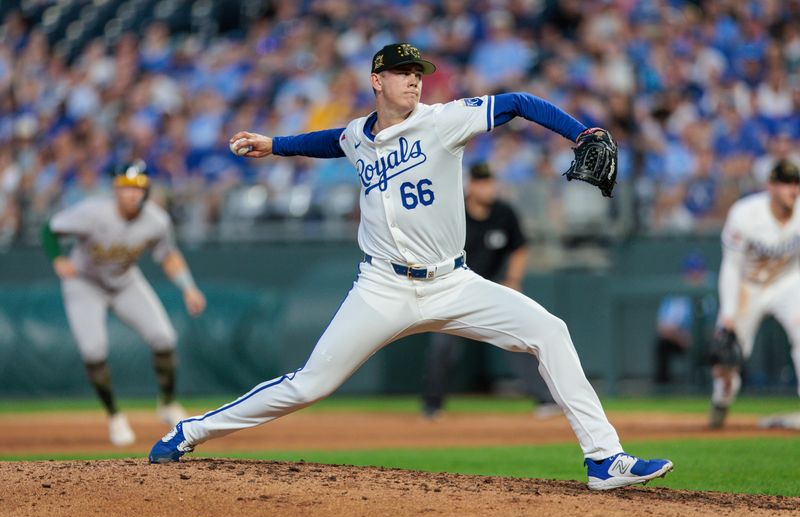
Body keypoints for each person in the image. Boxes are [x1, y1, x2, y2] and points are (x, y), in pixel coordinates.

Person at [150, 43, 673, 490]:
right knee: (310, 385)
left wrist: (580, 134)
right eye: (404, 73)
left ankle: (604, 458)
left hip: (454, 282)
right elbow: (333, 140)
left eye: (419, 74)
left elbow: (517, 102)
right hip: (382, 286)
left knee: (549, 331)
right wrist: (277, 145)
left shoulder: (443, 121)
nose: (414, 81)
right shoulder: (359, 135)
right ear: (377, 80)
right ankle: (191, 431)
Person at [42, 161, 206, 446]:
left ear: (146, 191)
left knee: (164, 338)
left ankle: (166, 404)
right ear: (116, 189)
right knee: (94, 351)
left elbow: (168, 255)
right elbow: (50, 229)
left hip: (124, 281)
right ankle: (115, 416)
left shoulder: (156, 220)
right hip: (84, 282)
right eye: (126, 188)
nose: (132, 194)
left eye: (138, 188)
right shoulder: (92, 213)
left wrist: (188, 288)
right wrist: (57, 258)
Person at [422, 161, 558, 418]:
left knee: (520, 337)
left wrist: (513, 279)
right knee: (443, 345)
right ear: (470, 185)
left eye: (491, 182)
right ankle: (432, 405)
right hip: (456, 286)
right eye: (482, 183)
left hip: (492, 284)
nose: (489, 188)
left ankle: (545, 399)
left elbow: (519, 247)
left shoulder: (503, 212)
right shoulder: (454, 212)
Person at [710, 160, 800, 429]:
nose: (793, 190)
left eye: (796, 183)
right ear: (771, 186)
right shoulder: (745, 213)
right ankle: (720, 402)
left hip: (787, 282)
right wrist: (727, 313)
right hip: (747, 286)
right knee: (727, 359)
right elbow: (731, 266)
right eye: (786, 183)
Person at [653, 252, 714, 385]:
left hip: (705, 341)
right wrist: (682, 337)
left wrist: (702, 337)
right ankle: (663, 389)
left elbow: (716, 326)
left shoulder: (711, 294)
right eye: (692, 272)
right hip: (681, 341)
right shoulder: (676, 296)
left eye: (699, 271)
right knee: (662, 345)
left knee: (723, 346)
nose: (696, 276)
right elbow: (662, 327)